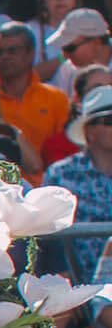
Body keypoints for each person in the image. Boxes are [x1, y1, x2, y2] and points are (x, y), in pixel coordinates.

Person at [49, 83, 112, 276]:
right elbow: (50, 240)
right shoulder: (60, 174)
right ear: (88, 131)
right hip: (79, 282)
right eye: (109, 120)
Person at [0, 20, 65, 182]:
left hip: (45, 186)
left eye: (12, 51)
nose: (5, 57)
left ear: (31, 53)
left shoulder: (56, 98)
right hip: (0, 187)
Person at [45, 8, 110, 97]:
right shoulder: (67, 68)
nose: (65, 55)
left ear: (96, 42)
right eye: (63, 48)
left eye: (70, 48)